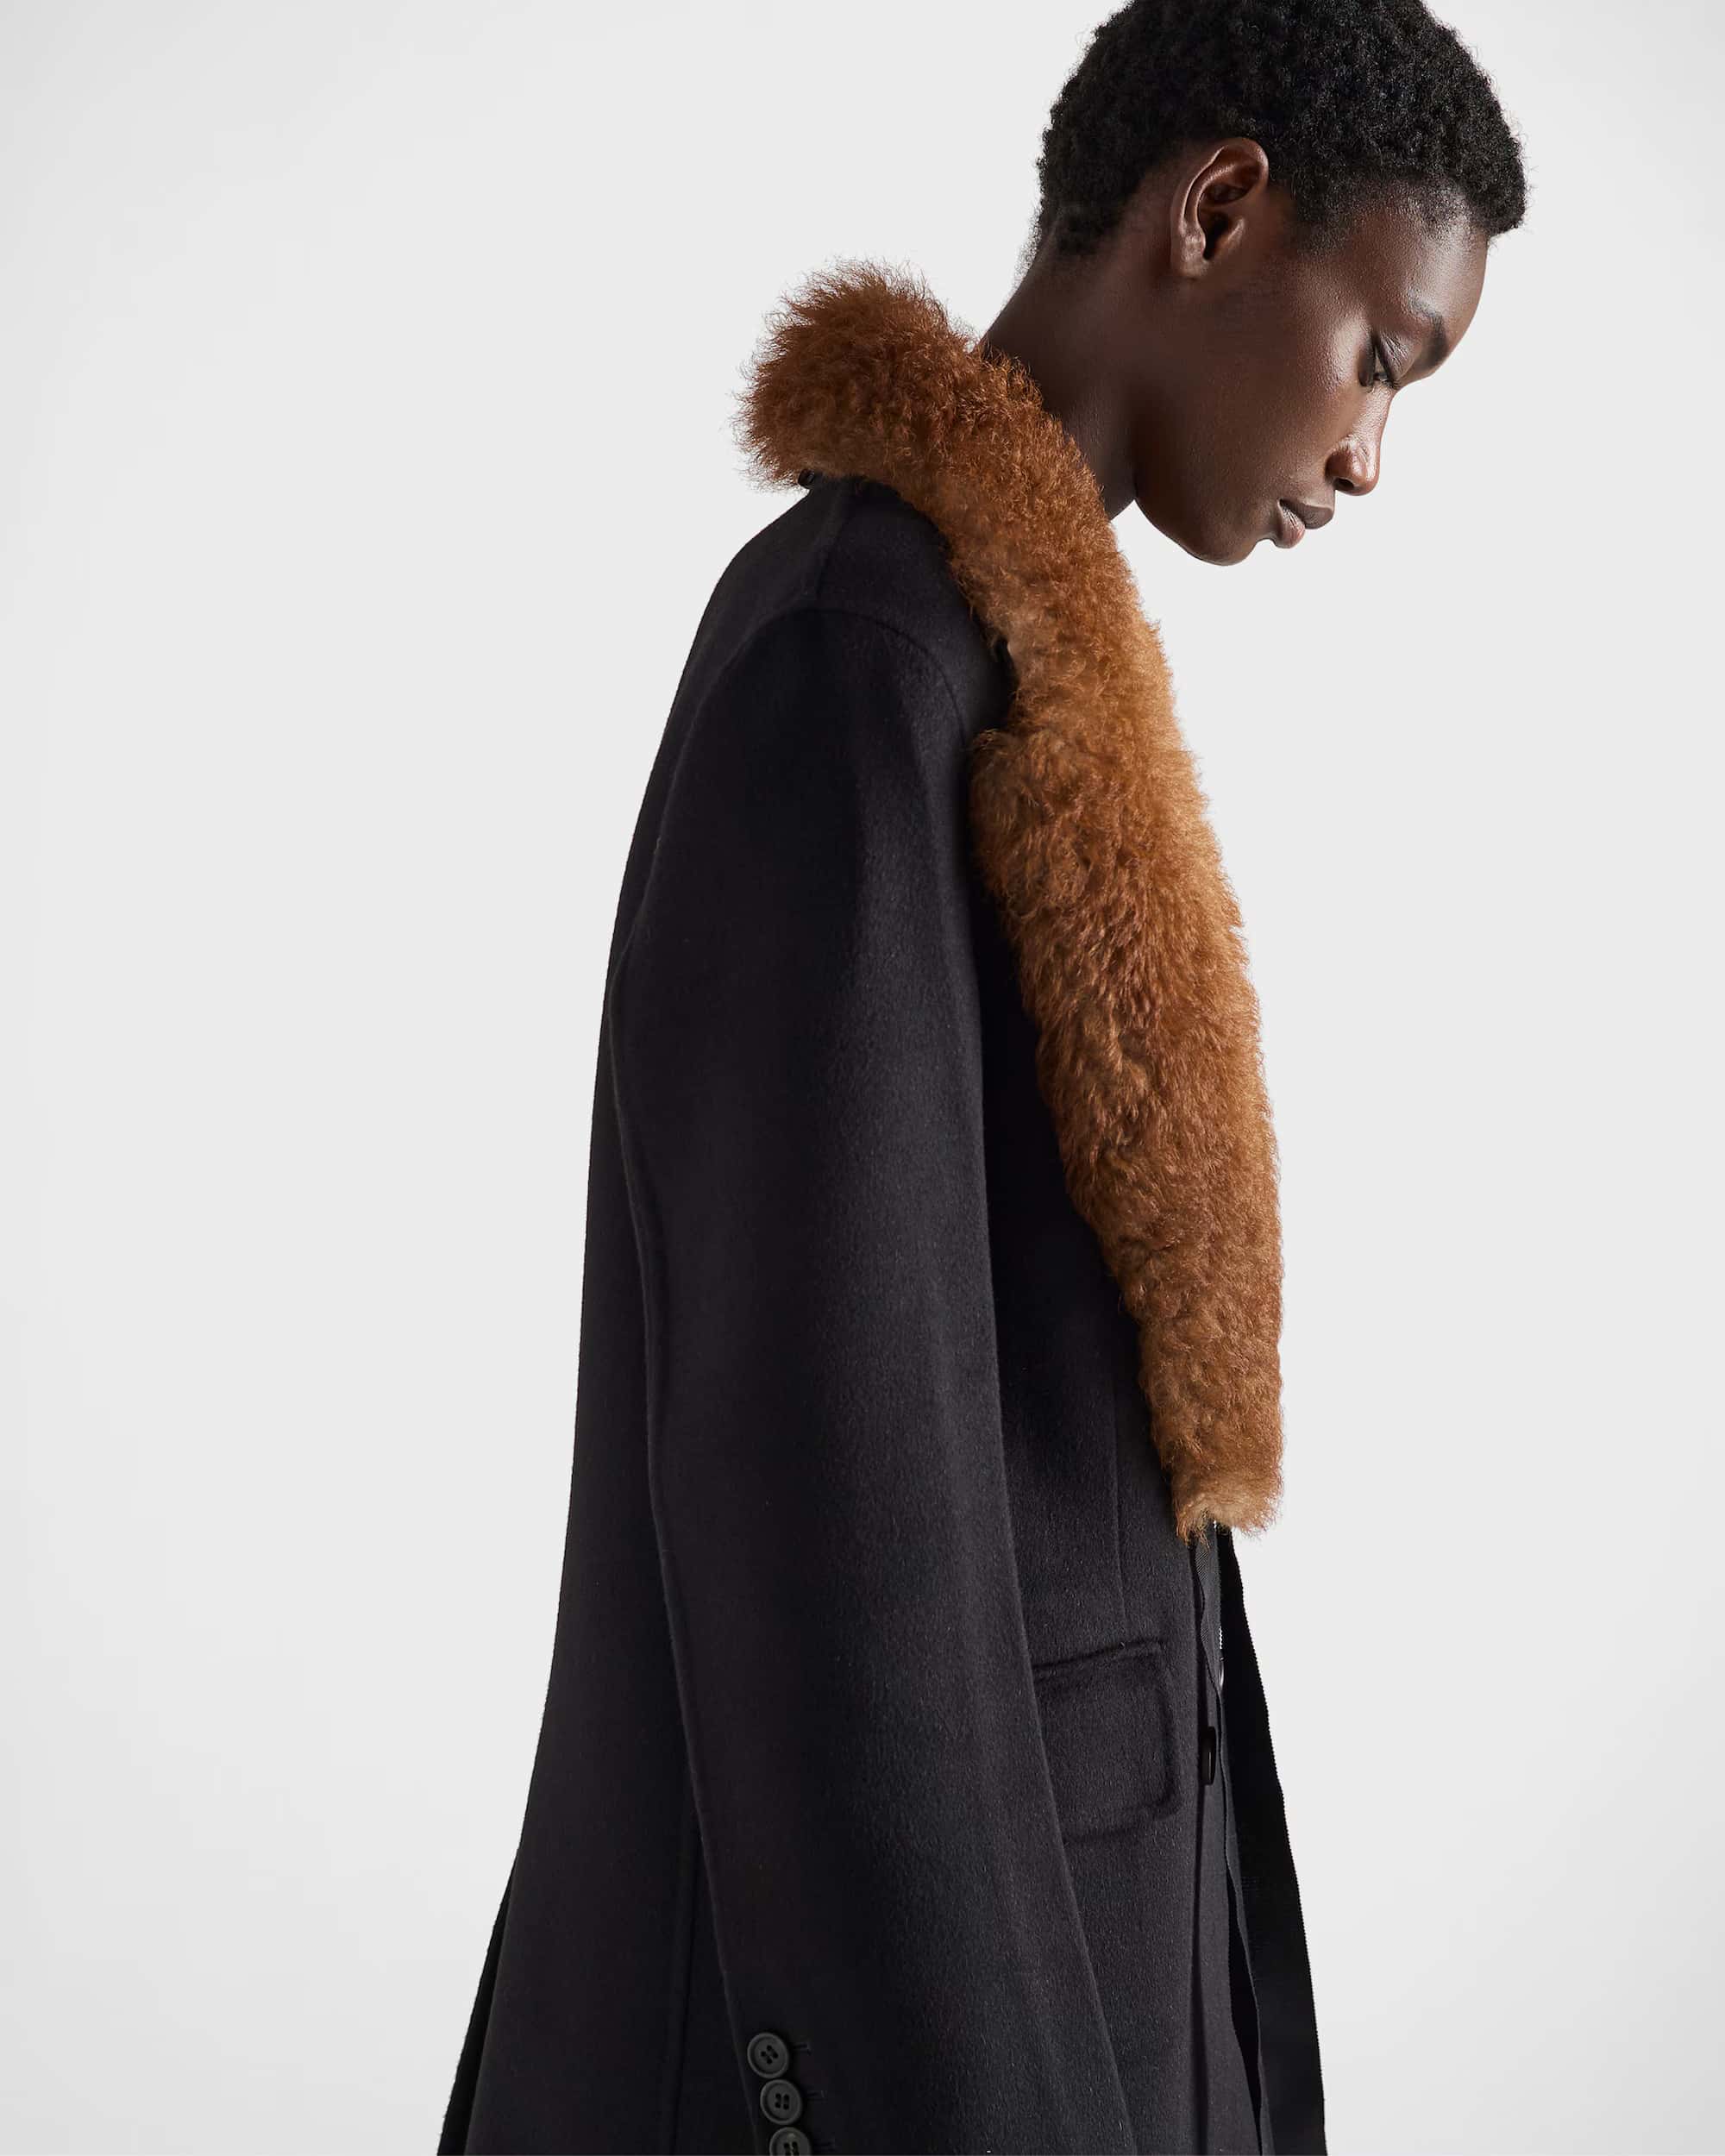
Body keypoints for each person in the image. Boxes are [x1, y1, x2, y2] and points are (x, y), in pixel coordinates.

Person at [436, 3, 1527, 2151]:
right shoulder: (862, 656)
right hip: (918, 2044)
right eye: (1383, 358)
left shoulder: (1010, 675)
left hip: (1090, 1990)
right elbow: (826, 1522)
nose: (1368, 457)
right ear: (1219, 210)